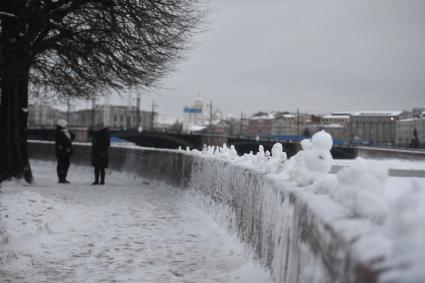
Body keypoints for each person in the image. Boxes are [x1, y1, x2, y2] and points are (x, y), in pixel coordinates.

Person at [54, 119, 75, 183]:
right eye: (66, 125)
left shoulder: (66, 132)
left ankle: (63, 177)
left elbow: (73, 136)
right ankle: (61, 178)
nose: (66, 126)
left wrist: (68, 131)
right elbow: (60, 143)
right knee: (61, 165)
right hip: (62, 152)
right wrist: (65, 149)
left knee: (66, 165)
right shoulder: (58, 133)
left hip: (67, 152)